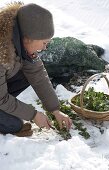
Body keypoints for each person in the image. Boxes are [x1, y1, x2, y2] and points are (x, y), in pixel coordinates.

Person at [0, 2, 72, 137]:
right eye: (44, 43)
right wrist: (33, 115)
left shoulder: (20, 42)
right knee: (15, 125)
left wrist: (55, 110)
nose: (44, 48)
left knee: (28, 73)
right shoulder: (2, 50)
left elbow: (38, 75)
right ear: (28, 39)